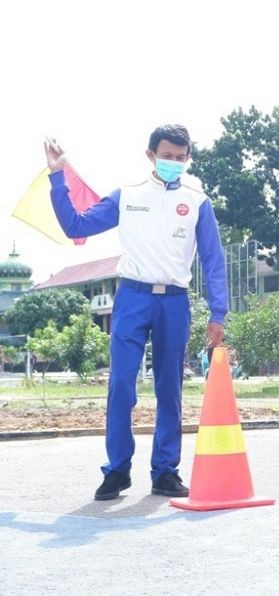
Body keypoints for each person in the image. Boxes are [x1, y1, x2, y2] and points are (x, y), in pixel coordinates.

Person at [44, 125, 228, 501]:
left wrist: (218, 312)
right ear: (150, 155)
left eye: (181, 158)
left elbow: (213, 259)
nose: (174, 163)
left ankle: (164, 471)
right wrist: (57, 175)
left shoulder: (198, 202)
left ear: (188, 158)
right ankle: (117, 471)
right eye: (167, 156)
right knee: (121, 385)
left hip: (175, 302)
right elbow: (75, 225)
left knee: (169, 388)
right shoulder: (127, 197)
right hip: (131, 297)